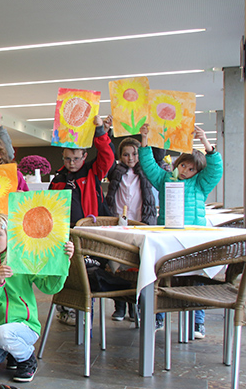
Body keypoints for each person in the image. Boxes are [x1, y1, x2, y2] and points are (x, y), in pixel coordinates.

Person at [0, 214, 74, 382]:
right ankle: (10, 351)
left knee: (4, 334)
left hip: (26, 327)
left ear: (10, 236)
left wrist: (63, 261)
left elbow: (50, 287)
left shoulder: (23, 259)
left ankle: (27, 358)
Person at [139, 124, 223, 337]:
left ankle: (197, 322)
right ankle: (158, 317)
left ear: (197, 172)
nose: (186, 171)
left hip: (194, 237)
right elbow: (148, 166)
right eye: (184, 165)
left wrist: (206, 144)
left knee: (196, 278)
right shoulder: (166, 179)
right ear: (178, 163)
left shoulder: (201, 184)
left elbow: (216, 170)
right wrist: (145, 139)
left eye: (191, 169)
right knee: (161, 275)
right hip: (168, 235)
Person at [49, 115, 114, 326]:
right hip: (64, 237)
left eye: (76, 158)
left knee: (87, 271)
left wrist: (100, 131)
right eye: (67, 159)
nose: (72, 163)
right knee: (67, 271)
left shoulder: (93, 171)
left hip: (89, 236)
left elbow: (107, 157)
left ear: (84, 155)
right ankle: (66, 307)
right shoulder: (58, 179)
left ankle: (86, 313)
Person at [103, 137, 159, 321]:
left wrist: (147, 139)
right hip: (120, 224)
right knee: (117, 265)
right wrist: (107, 132)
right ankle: (119, 305)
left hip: (141, 223)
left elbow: (157, 156)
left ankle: (134, 304)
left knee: (137, 266)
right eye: (126, 154)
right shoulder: (116, 172)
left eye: (134, 153)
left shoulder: (146, 172)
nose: (131, 157)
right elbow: (107, 155)